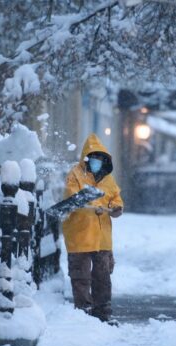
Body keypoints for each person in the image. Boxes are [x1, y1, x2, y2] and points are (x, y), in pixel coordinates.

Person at [62, 133, 123, 323]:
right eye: (94, 157)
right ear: (86, 158)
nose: (97, 161)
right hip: (79, 235)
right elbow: (73, 198)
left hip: (102, 238)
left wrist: (116, 208)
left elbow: (116, 199)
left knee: (102, 277)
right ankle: (83, 313)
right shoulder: (75, 175)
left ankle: (103, 311)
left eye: (100, 158)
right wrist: (91, 205)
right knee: (81, 277)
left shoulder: (108, 180)